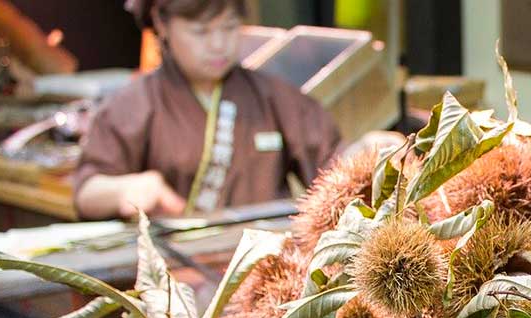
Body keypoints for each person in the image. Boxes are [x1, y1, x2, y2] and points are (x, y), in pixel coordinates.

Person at [73, 0, 342, 220]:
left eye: (229, 28)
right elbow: (86, 193)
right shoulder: (133, 103)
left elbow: (335, 162)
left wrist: (367, 153)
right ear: (161, 23)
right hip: (171, 272)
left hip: (265, 266)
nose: (218, 45)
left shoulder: (274, 96)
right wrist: (123, 190)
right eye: (201, 31)